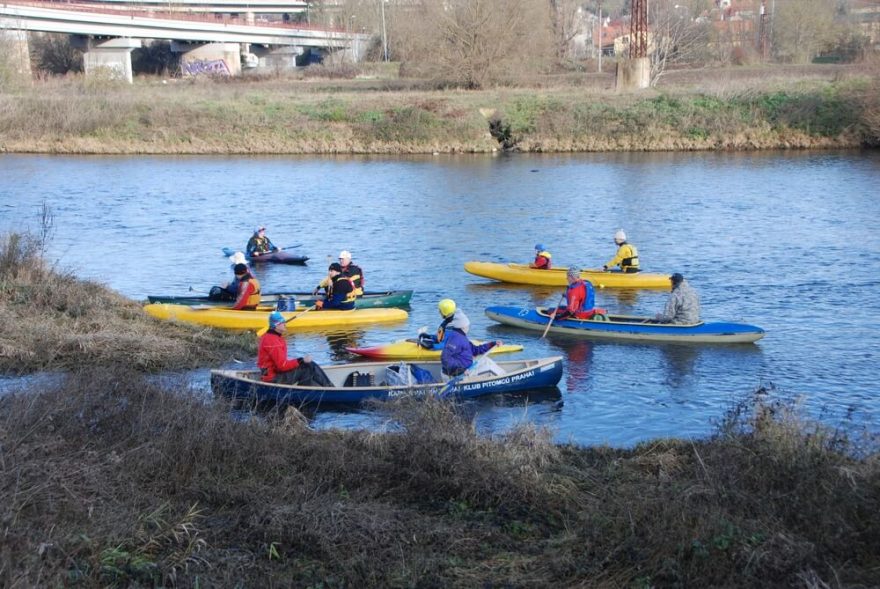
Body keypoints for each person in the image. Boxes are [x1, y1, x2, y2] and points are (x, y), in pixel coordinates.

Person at [258, 312, 332, 386]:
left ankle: (315, 389)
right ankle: (329, 387)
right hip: (273, 379)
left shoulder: (271, 337)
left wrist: (301, 361)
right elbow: (282, 366)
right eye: (282, 322)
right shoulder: (273, 341)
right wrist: (301, 360)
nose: (285, 324)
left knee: (307, 366)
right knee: (307, 366)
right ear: (276, 326)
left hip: (272, 374)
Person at [436, 299, 502, 379]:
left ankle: (503, 377)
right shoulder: (455, 338)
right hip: (458, 375)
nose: (468, 328)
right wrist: (460, 370)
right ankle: (505, 379)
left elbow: (475, 350)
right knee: (489, 366)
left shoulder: (461, 336)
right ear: (463, 326)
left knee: (486, 360)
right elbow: (445, 358)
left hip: (466, 369)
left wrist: (492, 344)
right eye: (468, 326)